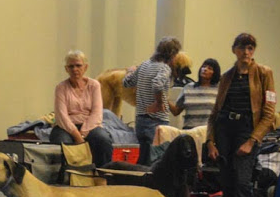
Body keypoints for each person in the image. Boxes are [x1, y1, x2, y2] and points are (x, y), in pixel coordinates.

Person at [206, 33, 275, 197]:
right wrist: (210, 141)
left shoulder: (264, 73)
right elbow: (215, 112)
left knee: (243, 184)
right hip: (225, 129)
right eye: (242, 48)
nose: (246, 52)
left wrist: (252, 140)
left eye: (250, 48)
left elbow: (269, 114)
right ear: (234, 50)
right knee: (228, 186)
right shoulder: (226, 76)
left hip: (248, 130)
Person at [123, 36, 182, 165]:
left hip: (140, 120)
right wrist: (159, 103)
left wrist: (129, 71)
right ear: (172, 54)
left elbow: (127, 82)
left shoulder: (144, 65)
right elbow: (157, 84)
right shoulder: (164, 68)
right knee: (157, 160)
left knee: (143, 159)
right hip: (157, 121)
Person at [50, 50, 113, 167]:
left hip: (90, 126)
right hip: (65, 127)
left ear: (85, 67)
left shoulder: (94, 85)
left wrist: (83, 133)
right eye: (71, 66)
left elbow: (97, 113)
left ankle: (103, 173)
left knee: (103, 139)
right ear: (66, 69)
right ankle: (67, 176)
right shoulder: (61, 88)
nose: (75, 69)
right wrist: (77, 136)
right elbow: (62, 116)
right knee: (63, 144)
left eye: (78, 65)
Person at [169, 58, 221, 130]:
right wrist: (164, 98)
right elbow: (176, 111)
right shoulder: (188, 87)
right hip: (189, 130)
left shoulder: (219, 89)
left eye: (210, 68)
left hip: (208, 131)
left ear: (215, 73)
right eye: (203, 66)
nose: (205, 69)